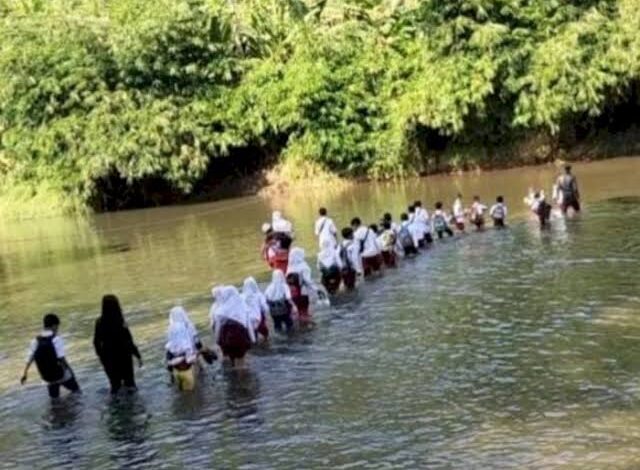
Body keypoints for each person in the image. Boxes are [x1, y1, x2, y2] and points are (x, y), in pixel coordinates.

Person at [20, 313, 80, 399]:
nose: (57, 329)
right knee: (77, 392)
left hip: (47, 377)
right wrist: (70, 371)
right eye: (57, 327)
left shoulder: (35, 341)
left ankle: (54, 412)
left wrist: (25, 374)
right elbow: (62, 358)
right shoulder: (56, 339)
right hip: (61, 374)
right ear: (54, 326)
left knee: (54, 400)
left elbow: (29, 359)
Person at [93, 295, 142, 394]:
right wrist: (138, 356)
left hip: (109, 357)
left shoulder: (99, 322)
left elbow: (96, 342)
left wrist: (101, 356)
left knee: (115, 385)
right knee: (130, 384)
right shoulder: (121, 322)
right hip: (124, 356)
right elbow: (129, 341)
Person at [210, 286, 255, 368]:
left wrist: (217, 341)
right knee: (241, 362)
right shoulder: (243, 307)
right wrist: (252, 339)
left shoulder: (221, 310)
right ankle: (241, 378)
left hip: (227, 339)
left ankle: (232, 376)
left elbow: (217, 328)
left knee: (230, 359)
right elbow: (249, 325)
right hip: (240, 337)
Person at [165, 306, 202, 391]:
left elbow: (168, 354)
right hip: (188, 366)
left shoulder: (171, 330)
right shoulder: (188, 327)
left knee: (180, 390)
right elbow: (197, 344)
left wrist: (170, 373)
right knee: (191, 394)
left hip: (176, 369)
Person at [286, 247, 317, 323]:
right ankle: (307, 328)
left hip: (293, 294)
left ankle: (301, 326)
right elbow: (307, 281)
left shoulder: (289, 267)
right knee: (305, 312)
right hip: (303, 293)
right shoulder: (304, 267)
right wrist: (315, 289)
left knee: (300, 312)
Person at [242, 277, 270, 342]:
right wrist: (267, 315)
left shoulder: (242, 296)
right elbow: (265, 307)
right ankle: (266, 344)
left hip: (247, 319)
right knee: (265, 333)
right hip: (258, 318)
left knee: (253, 335)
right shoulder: (259, 295)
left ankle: (256, 344)